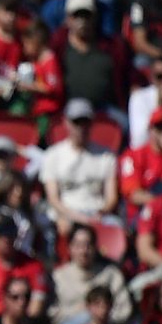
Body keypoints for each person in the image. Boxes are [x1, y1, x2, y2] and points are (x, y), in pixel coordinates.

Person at [40, 98, 119, 231]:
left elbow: (111, 198)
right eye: (76, 122)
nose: (81, 128)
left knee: (116, 227)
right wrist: (74, 216)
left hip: (96, 213)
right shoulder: (52, 155)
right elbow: (53, 198)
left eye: (85, 122)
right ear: (66, 123)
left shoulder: (107, 156)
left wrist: (99, 214)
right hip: (67, 213)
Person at [51, 225, 132, 324]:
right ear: (69, 248)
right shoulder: (58, 276)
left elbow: (124, 310)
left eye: (88, 245)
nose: (83, 251)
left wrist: (101, 315)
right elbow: (52, 312)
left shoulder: (111, 274)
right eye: (78, 245)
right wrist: (81, 312)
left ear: (95, 248)